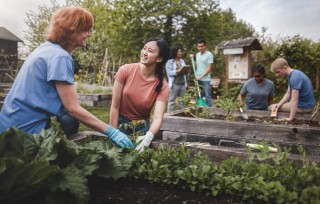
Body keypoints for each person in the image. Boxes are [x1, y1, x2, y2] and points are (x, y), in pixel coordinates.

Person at [0, 6, 134, 149]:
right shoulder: (60, 57)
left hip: (8, 126)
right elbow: (73, 108)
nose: (89, 34)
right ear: (71, 30)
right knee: (70, 119)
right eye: (86, 29)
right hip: (25, 134)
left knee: (68, 120)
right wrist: (111, 131)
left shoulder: (44, 48)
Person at [109, 38, 170, 152]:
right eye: (144, 48)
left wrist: (149, 136)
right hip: (120, 124)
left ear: (159, 58)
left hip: (142, 128)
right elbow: (114, 106)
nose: (144, 52)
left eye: (150, 51)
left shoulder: (162, 85)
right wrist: (114, 132)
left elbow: (157, 117)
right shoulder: (125, 70)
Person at [190, 39, 214, 107]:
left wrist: (200, 77)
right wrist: (192, 60)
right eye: (199, 46)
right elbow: (198, 66)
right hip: (197, 78)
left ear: (205, 46)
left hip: (206, 79)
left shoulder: (209, 55)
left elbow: (209, 68)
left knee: (207, 97)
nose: (200, 48)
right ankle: (199, 110)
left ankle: (210, 113)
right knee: (197, 95)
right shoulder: (197, 54)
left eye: (201, 46)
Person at [165, 47, 188, 112]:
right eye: (179, 51)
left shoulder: (182, 61)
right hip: (174, 84)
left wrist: (186, 71)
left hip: (183, 84)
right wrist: (177, 71)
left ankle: (182, 115)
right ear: (175, 52)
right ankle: (169, 116)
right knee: (172, 101)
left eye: (180, 51)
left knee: (182, 101)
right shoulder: (169, 62)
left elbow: (184, 72)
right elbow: (169, 73)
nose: (180, 53)